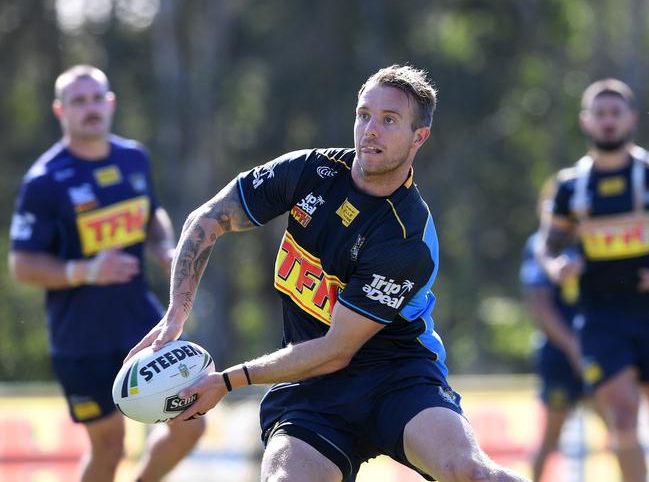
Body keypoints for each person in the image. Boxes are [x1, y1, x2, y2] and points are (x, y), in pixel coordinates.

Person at [127, 64, 529, 482]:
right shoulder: (309, 172)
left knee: (470, 473)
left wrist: (227, 381)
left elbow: (337, 349)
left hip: (397, 378)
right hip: (311, 391)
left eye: (389, 120)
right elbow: (207, 218)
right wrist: (177, 312)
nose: (370, 129)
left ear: (419, 137)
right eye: (363, 114)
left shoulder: (406, 236)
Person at [9, 65, 205, 482]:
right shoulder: (44, 181)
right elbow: (22, 264)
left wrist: (165, 248)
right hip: (80, 340)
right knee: (109, 445)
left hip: (142, 323)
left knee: (192, 423)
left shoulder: (133, 157)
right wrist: (87, 270)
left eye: (97, 98)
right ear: (60, 111)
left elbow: (153, 216)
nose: (90, 108)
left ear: (110, 103)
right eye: (79, 101)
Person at [537, 78, 649, 482]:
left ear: (631, 119)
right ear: (586, 121)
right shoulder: (571, 187)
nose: (607, 122)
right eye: (599, 114)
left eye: (615, 113)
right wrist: (556, 267)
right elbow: (548, 246)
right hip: (601, 319)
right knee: (622, 420)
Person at [520, 179, 584, 481]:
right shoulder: (539, 246)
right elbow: (540, 306)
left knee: (621, 426)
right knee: (550, 438)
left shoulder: (588, 240)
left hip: (599, 349)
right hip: (560, 355)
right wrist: (573, 347)